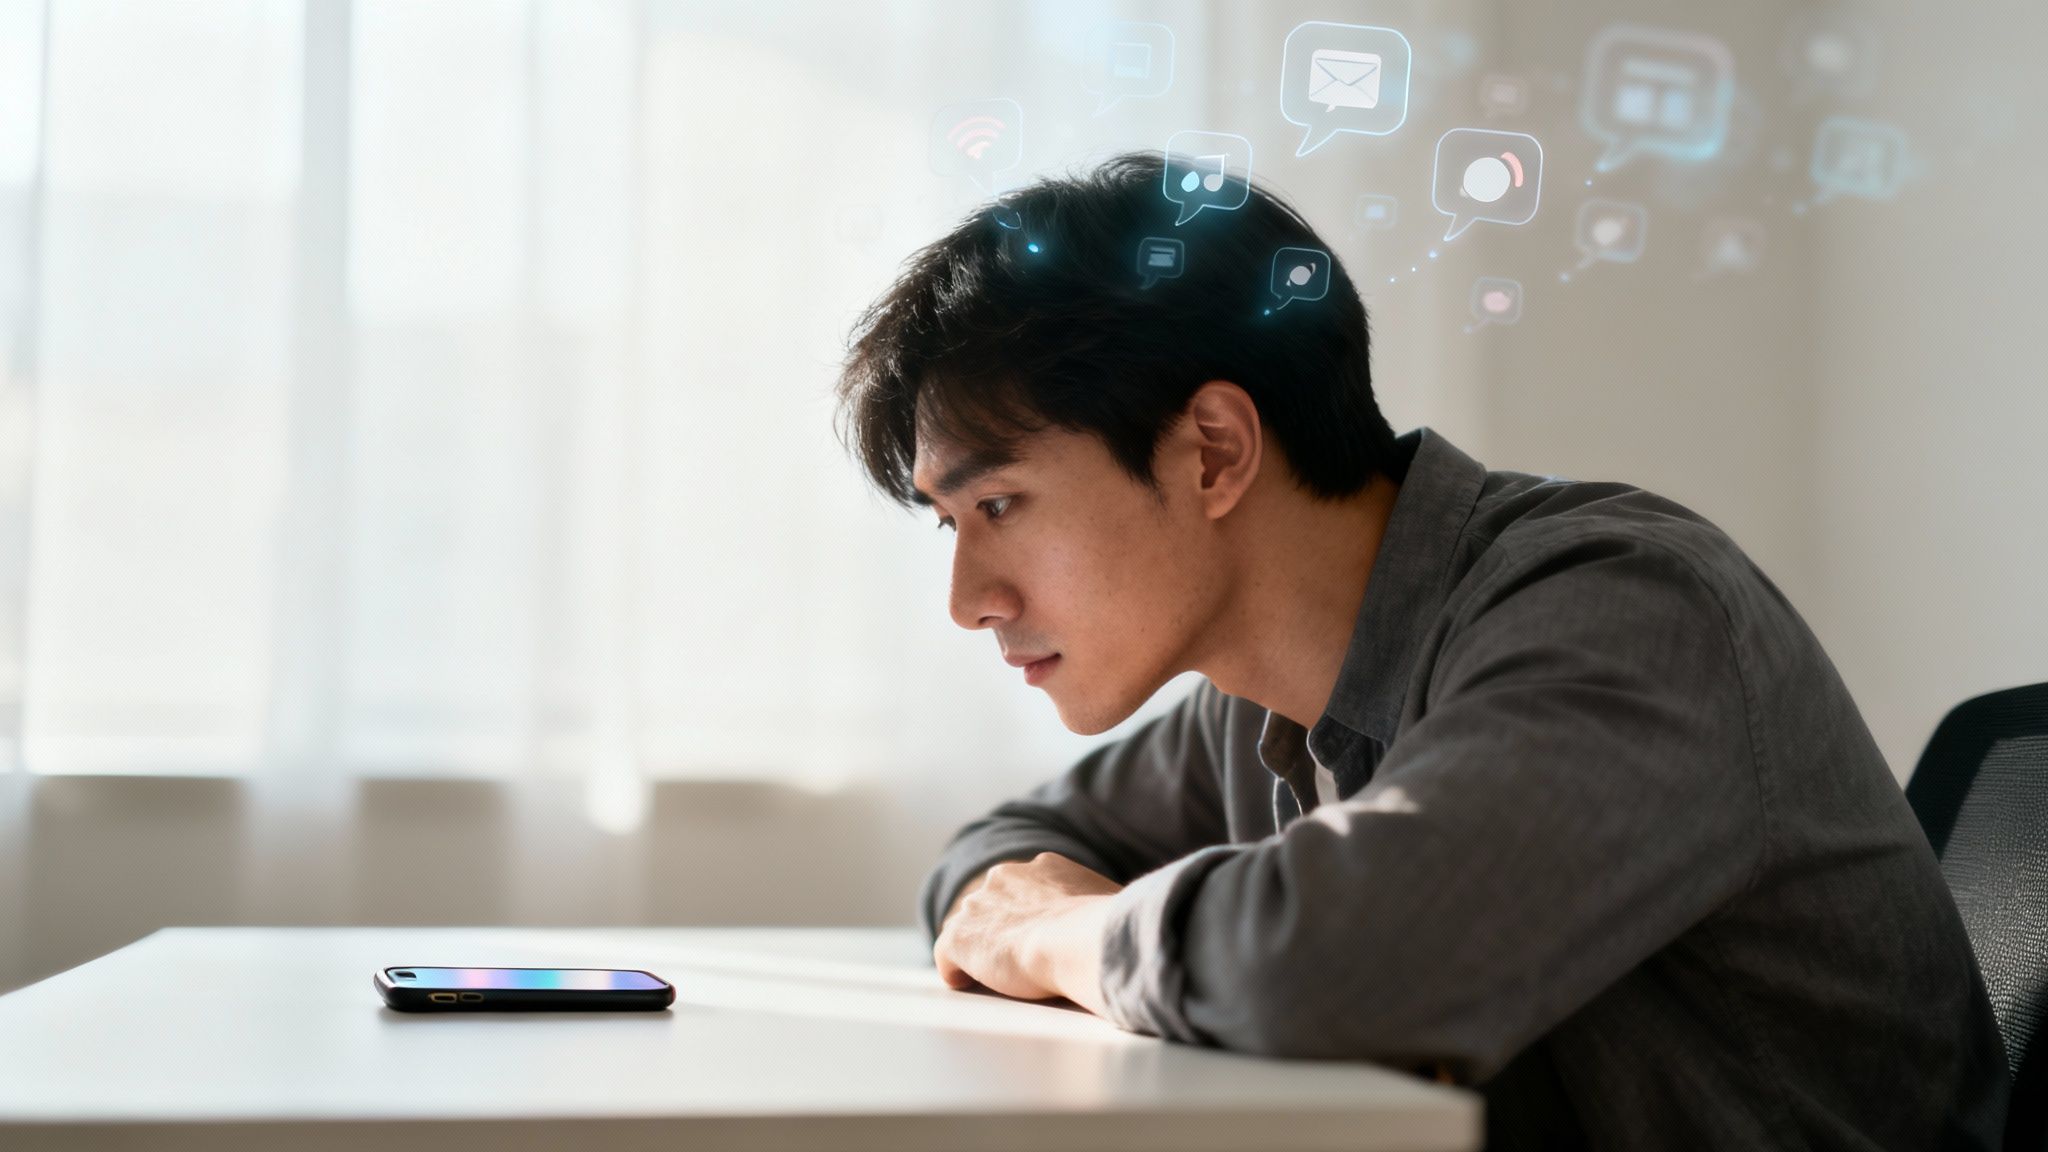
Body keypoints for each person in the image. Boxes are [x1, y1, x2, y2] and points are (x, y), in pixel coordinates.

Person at [831, 151, 2008, 1149]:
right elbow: (999, 853)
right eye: (947, 524)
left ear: (1210, 451)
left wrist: (1053, 934)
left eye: (996, 507)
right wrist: (1027, 911)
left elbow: (1333, 963)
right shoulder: (1253, 695)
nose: (966, 599)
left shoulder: (1624, 612)